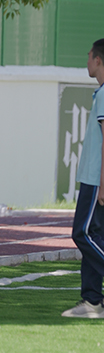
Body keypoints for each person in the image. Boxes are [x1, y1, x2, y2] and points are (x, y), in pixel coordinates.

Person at [62, 39, 104, 319]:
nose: (86, 61)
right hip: (94, 177)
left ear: (98, 60)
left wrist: (102, 183)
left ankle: (92, 300)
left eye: (89, 56)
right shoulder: (100, 92)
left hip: (96, 179)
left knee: (83, 233)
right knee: (96, 236)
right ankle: (92, 302)